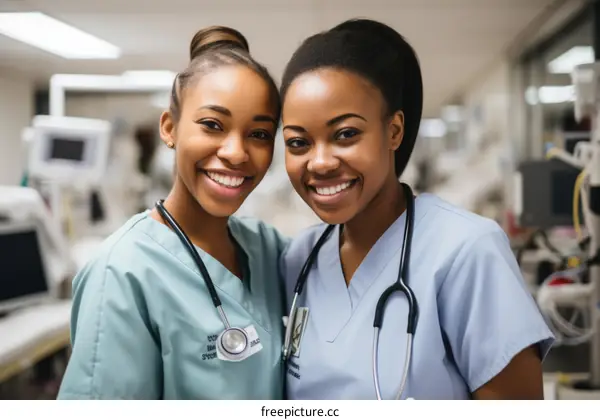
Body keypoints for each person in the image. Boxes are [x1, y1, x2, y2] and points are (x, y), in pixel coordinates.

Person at [278, 18, 555, 400]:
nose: (320, 162)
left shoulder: (465, 249)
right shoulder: (299, 258)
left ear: (394, 131)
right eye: (298, 143)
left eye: (346, 134)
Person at [58, 26, 288, 400]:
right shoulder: (122, 272)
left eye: (259, 134)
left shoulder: (268, 249)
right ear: (170, 128)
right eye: (213, 125)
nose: (236, 152)